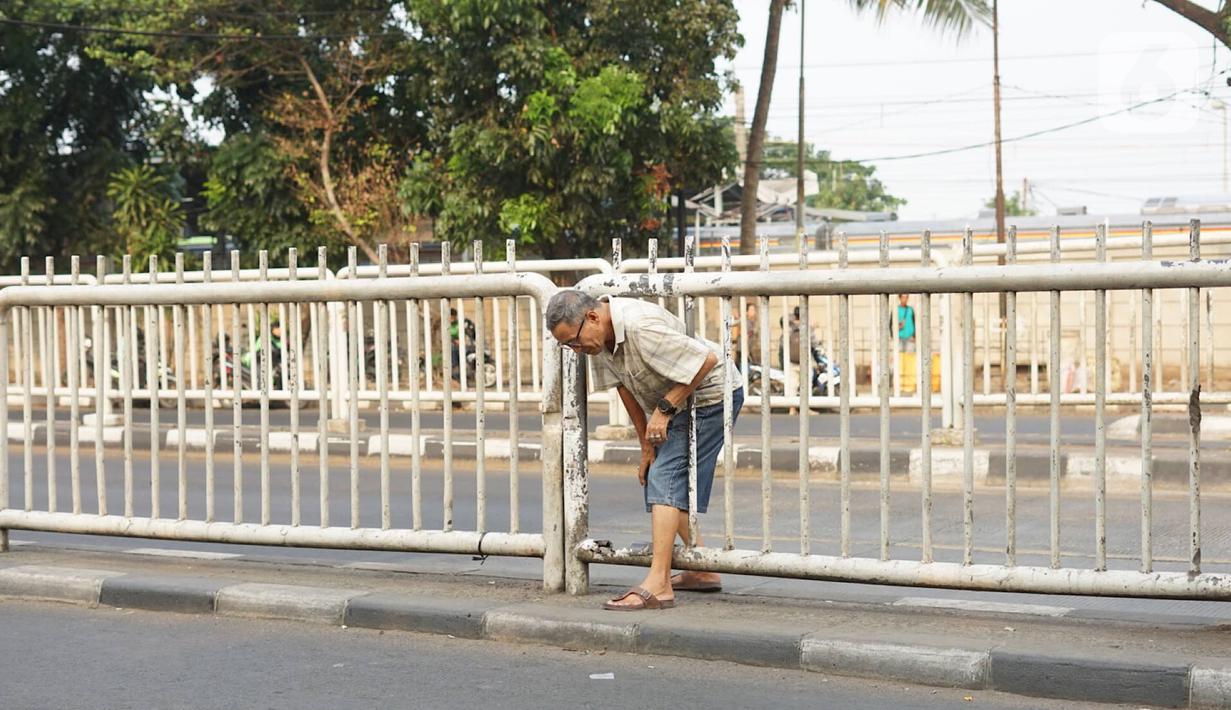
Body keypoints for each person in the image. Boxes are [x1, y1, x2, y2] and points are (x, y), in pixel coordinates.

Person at [546, 289, 743, 611]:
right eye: (568, 346)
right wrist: (645, 446)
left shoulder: (640, 328)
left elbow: (706, 360)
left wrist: (665, 411)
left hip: (711, 396)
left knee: (667, 477)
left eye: (575, 342)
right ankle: (703, 569)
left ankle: (659, 584)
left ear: (593, 317)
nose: (575, 350)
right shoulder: (599, 340)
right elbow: (625, 386)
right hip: (673, 402)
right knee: (658, 473)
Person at [730, 302, 759, 366]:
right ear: (746, 312)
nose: (754, 312)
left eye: (754, 310)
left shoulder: (751, 322)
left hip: (744, 349)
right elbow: (745, 337)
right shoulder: (746, 322)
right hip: (743, 349)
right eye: (751, 310)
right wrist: (747, 351)